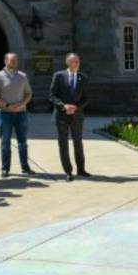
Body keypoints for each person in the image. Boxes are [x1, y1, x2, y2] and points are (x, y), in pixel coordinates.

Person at [0, 53, 34, 178]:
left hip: (21, 113)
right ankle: (5, 168)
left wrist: (22, 104)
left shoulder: (23, 76)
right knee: (5, 142)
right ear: (5, 61)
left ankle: (25, 167)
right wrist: (7, 105)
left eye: (16, 60)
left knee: (23, 142)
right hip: (5, 114)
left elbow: (28, 93)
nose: (14, 62)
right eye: (12, 60)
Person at [49, 52, 90, 182]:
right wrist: (63, 106)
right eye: (73, 61)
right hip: (61, 115)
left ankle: (81, 169)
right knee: (63, 143)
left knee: (78, 142)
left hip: (77, 115)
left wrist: (76, 107)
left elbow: (86, 98)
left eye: (78, 61)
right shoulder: (59, 76)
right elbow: (51, 95)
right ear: (68, 63)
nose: (76, 63)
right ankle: (68, 171)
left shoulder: (83, 78)